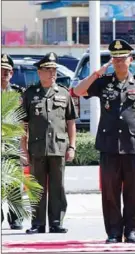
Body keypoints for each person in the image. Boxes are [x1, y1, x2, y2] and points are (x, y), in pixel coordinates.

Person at [73, 39, 135, 243]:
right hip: (109, 146)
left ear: (131, 60)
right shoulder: (104, 82)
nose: (119, 62)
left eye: (123, 58)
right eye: (115, 59)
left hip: (134, 146)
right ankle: (113, 231)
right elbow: (78, 91)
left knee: (134, 192)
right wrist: (97, 73)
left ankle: (132, 230)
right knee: (110, 192)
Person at [20, 52, 78, 234]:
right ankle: (37, 224)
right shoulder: (30, 94)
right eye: (48, 70)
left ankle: (56, 222)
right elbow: (24, 124)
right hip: (36, 148)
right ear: (39, 72)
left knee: (57, 186)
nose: (52, 73)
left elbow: (71, 122)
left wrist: (72, 146)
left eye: (54, 70)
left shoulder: (63, 93)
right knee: (37, 187)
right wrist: (23, 149)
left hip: (58, 147)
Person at [1, 53, 24, 230]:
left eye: (7, 71)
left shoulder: (18, 94)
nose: (4, 74)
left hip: (12, 144)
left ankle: (15, 217)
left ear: (12, 73)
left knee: (14, 182)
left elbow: (24, 121)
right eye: (1, 70)